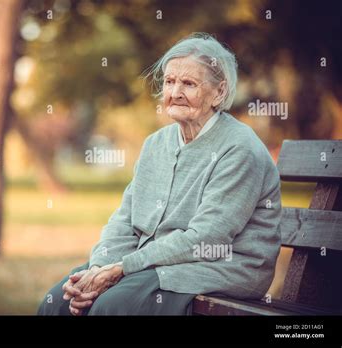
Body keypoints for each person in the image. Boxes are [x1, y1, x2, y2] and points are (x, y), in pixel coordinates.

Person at [38, 32, 282, 316]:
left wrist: (122, 268)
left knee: (111, 307)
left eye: (189, 83)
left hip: (221, 266)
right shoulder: (156, 143)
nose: (175, 92)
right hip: (152, 263)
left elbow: (207, 239)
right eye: (169, 82)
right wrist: (98, 267)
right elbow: (125, 220)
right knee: (57, 303)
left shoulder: (240, 149)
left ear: (219, 92)